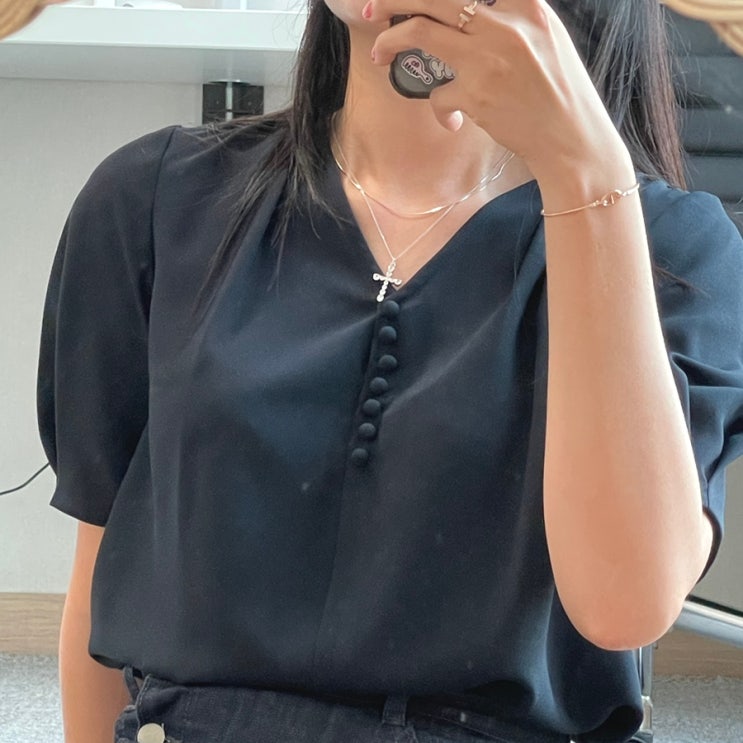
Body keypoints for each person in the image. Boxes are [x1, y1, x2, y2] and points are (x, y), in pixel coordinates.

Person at [36, 1, 743, 742]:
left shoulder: (672, 250)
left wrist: (584, 171)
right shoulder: (155, 197)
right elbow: (100, 589)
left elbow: (624, 605)